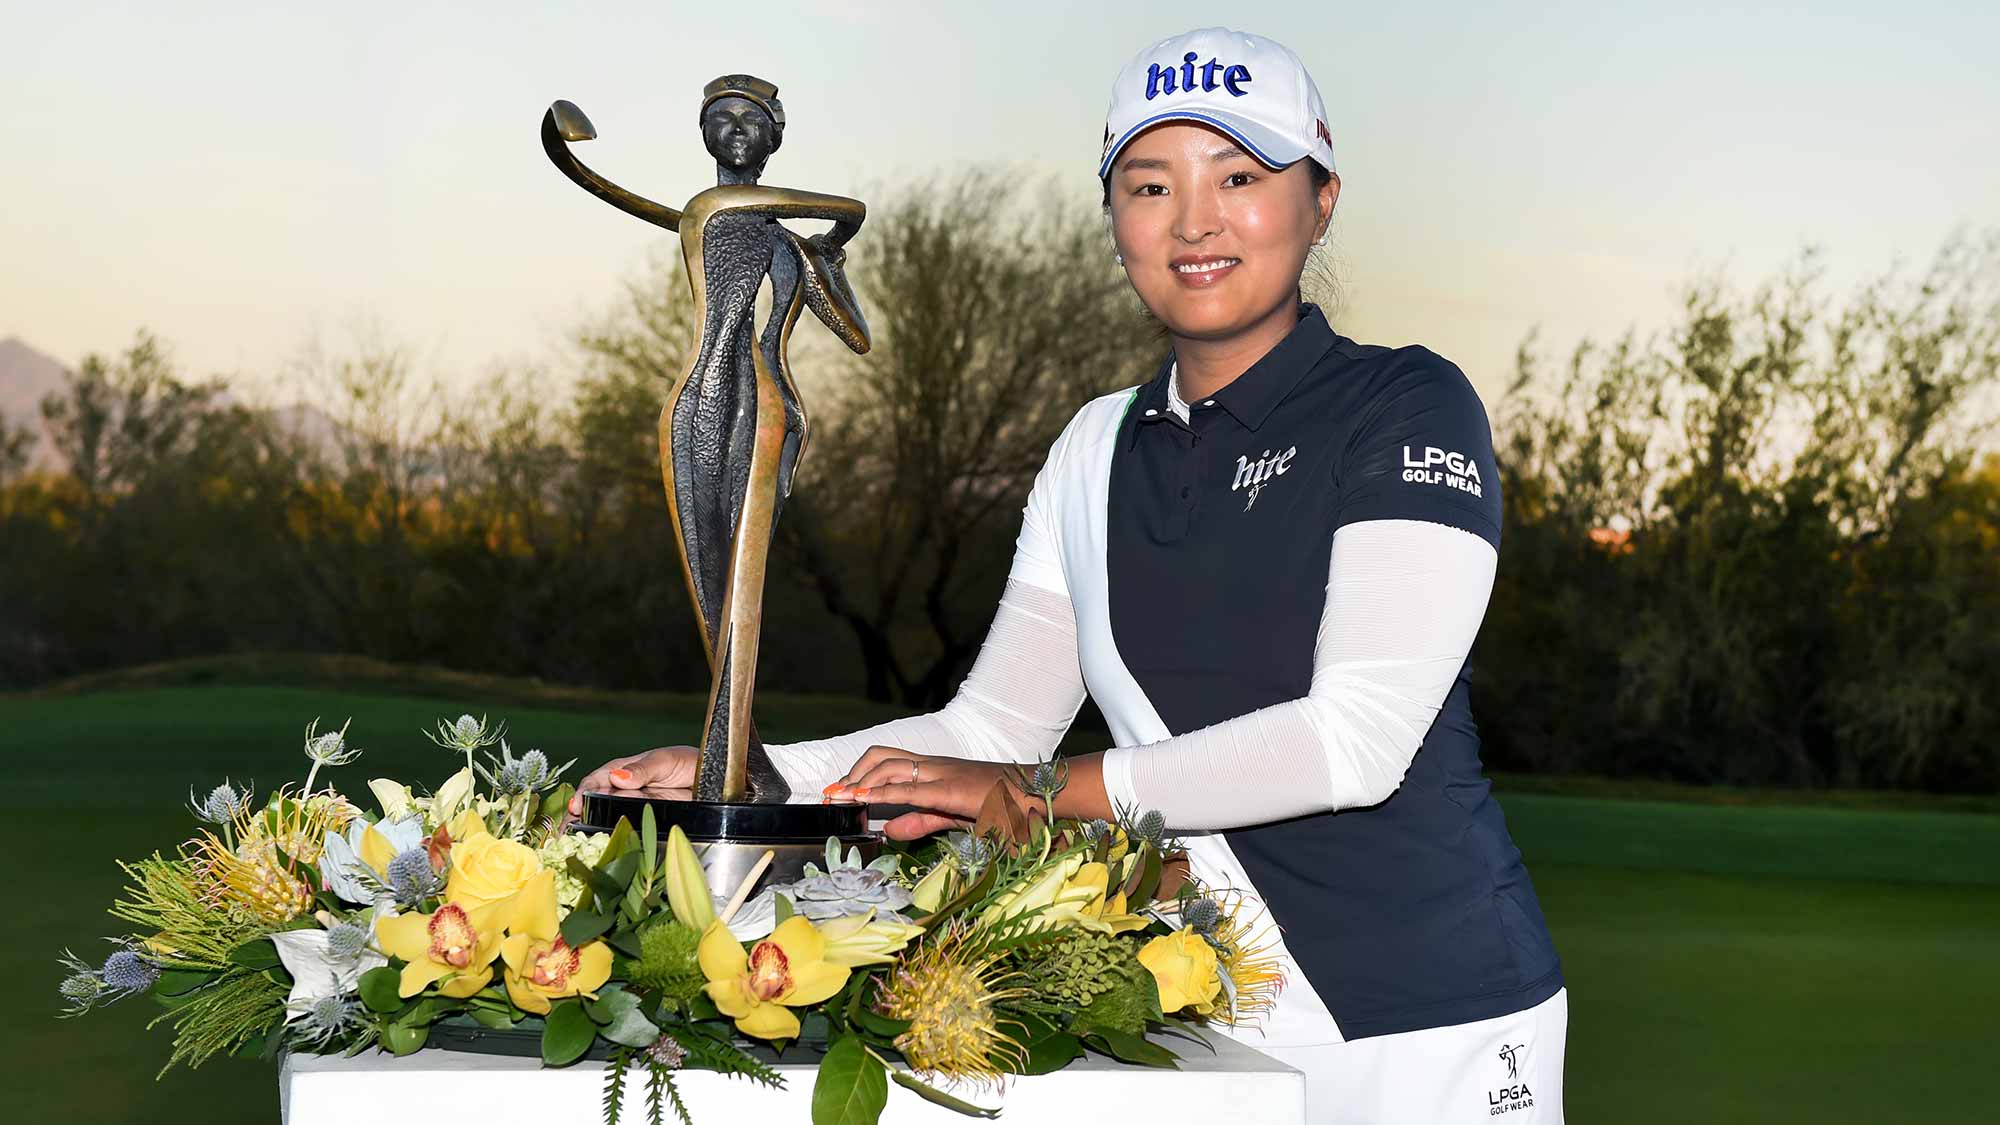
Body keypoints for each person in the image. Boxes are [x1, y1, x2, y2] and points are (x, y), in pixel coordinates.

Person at [574, 26, 1565, 1123]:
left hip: (1430, 1015)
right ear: (1114, 222)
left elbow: (1354, 741)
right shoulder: (1094, 446)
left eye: (1238, 176)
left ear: (1318, 199)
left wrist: (1037, 800)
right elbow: (990, 731)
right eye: (1149, 185)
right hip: (1204, 1007)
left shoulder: (1407, 405)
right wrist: (749, 774)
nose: (1193, 220)